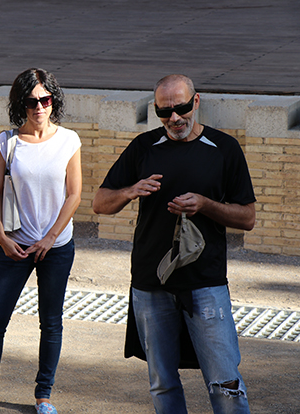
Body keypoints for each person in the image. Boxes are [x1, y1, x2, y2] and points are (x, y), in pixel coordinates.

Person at [93, 74, 255, 413]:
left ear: (196, 102)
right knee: (162, 383)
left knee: (226, 382)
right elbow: (100, 203)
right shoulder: (143, 147)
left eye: (181, 108)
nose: (174, 118)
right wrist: (130, 191)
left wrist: (205, 205)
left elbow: (247, 218)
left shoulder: (224, 148)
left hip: (205, 283)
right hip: (151, 283)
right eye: (164, 112)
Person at [0, 68, 82, 414]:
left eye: (45, 100)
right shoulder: (7, 142)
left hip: (56, 248)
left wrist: (50, 238)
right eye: (31, 101)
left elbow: (75, 194)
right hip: (15, 246)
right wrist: (2, 237)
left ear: (53, 101)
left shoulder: (69, 140)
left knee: (51, 323)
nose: (39, 107)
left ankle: (43, 396)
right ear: (20, 104)